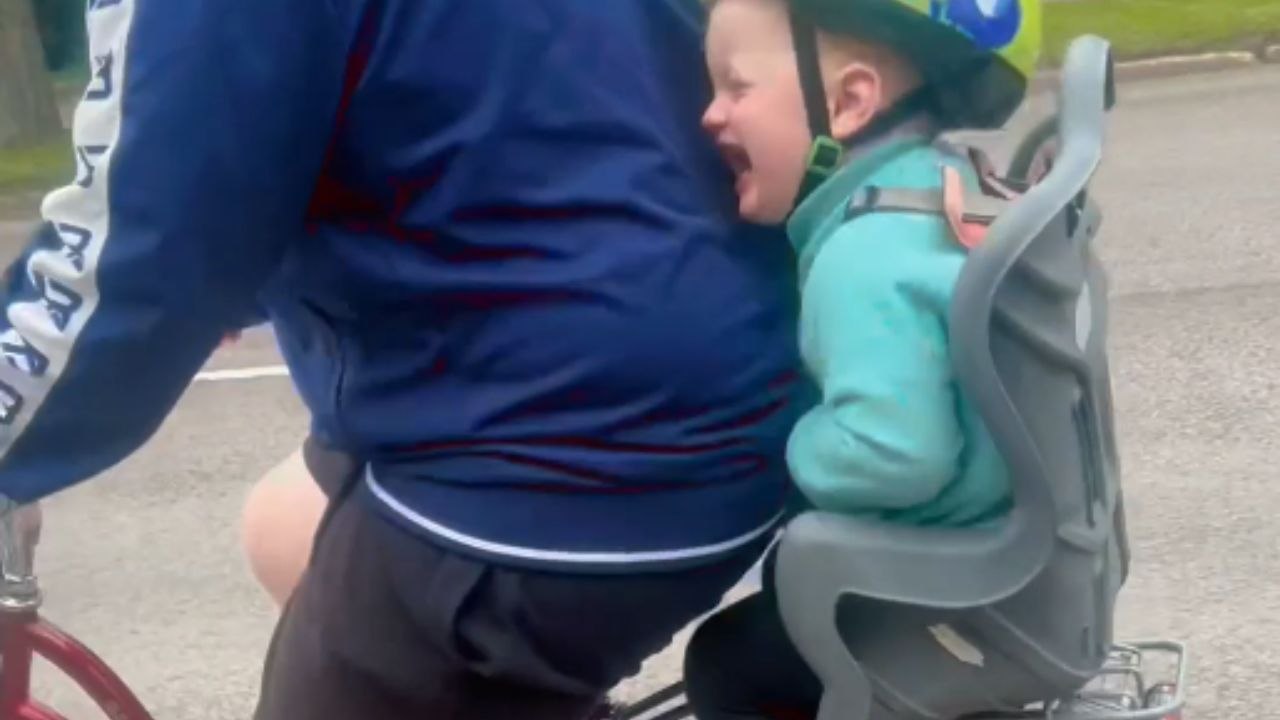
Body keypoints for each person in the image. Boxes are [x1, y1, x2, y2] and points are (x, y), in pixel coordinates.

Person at [0, 1, 811, 718]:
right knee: (284, 523)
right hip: (707, 358)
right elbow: (495, 109)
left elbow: (130, 255)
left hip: (571, 437)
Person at [682, 0, 1042, 718]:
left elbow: (892, 456)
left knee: (730, 662)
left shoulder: (862, 251)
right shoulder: (949, 191)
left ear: (849, 103)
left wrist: (781, 448)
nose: (709, 115)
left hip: (932, 594)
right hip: (1016, 570)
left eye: (736, 86)